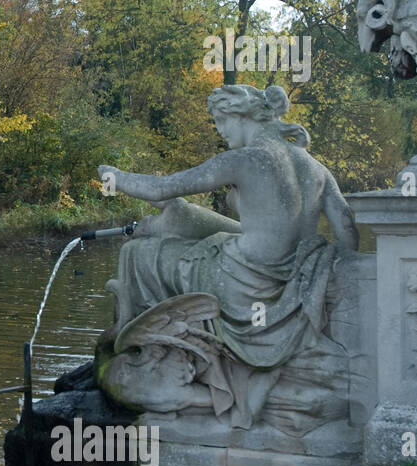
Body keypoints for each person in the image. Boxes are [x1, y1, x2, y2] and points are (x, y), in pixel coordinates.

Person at [97, 84, 357, 430]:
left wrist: (114, 176)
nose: (219, 130)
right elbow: (349, 235)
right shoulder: (314, 167)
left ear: (241, 116)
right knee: (192, 236)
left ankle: (144, 354)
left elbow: (162, 188)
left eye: (220, 120)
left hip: (240, 281)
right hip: (291, 283)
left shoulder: (245, 160)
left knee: (139, 254)